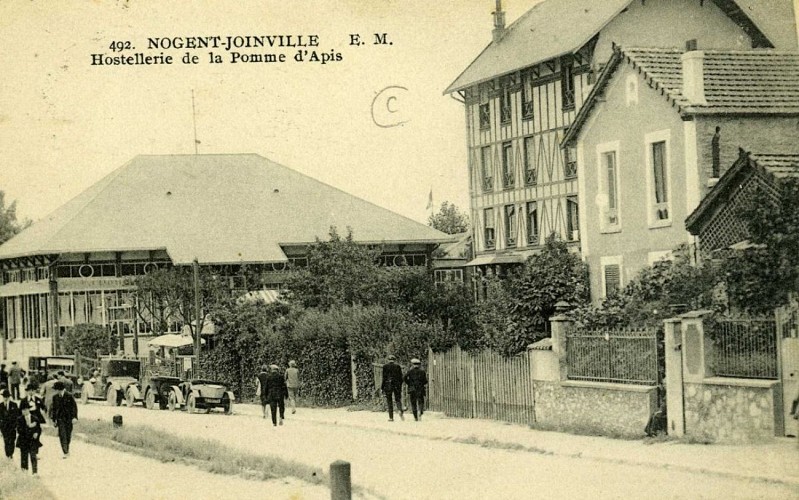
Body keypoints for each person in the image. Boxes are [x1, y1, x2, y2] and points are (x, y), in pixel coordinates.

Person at [51, 381, 78, 458]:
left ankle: (67, 449)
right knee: (62, 435)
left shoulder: (69, 396)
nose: (55, 391)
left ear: (59, 389)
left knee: (68, 435)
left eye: (56, 389)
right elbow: (54, 409)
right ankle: (65, 452)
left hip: (69, 419)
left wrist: (75, 417)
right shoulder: (55, 397)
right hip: (60, 419)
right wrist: (54, 420)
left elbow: (74, 407)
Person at [16, 399, 42, 475]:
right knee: (24, 456)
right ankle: (24, 471)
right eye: (22, 410)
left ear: (28, 409)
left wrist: (36, 433)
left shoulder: (35, 418)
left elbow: (39, 429)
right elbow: (19, 430)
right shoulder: (19, 419)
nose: (23, 411)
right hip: (23, 440)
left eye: (25, 409)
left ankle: (35, 472)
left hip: (32, 441)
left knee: (33, 456)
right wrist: (29, 427)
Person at [381, 355, 404, 422]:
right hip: (396, 385)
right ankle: (399, 410)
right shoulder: (398, 366)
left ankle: (391, 417)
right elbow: (401, 378)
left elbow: (384, 378)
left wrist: (382, 387)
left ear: (388, 360)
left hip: (388, 385)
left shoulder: (385, 366)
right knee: (397, 399)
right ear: (394, 360)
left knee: (389, 401)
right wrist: (400, 385)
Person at [0, 389, 17, 459]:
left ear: (9, 397)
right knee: (6, 441)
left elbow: (17, 416)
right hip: (4, 427)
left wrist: (16, 425)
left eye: (7, 396)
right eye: (4, 396)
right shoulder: (0, 406)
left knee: (12, 440)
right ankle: (8, 454)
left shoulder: (14, 405)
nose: (6, 398)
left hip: (12, 427)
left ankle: (11, 453)